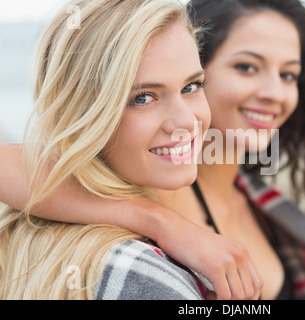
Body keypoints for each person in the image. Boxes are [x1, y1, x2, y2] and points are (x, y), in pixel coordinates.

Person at [0, 0, 305, 300]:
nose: (273, 93)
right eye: (246, 66)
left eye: (289, 75)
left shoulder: (267, 207)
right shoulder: (137, 234)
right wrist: (159, 220)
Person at [0, 0, 264, 300]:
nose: (186, 123)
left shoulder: (28, 235)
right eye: (143, 98)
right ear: (84, 114)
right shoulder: (145, 276)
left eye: (191, 87)